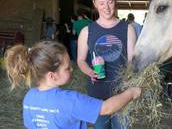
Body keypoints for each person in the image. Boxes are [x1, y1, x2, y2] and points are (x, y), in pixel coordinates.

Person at [4, 40, 141, 129]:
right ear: (52, 75)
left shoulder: (29, 97)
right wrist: (131, 93)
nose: (72, 69)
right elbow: (106, 108)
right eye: (67, 68)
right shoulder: (70, 100)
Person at [77, 0, 137, 129]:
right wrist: (89, 71)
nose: (107, 7)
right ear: (94, 4)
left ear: (115, 1)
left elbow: (132, 60)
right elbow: (80, 60)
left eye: (110, 2)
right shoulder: (87, 31)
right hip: (97, 95)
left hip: (122, 92)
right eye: (101, 3)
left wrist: (129, 78)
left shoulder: (127, 29)